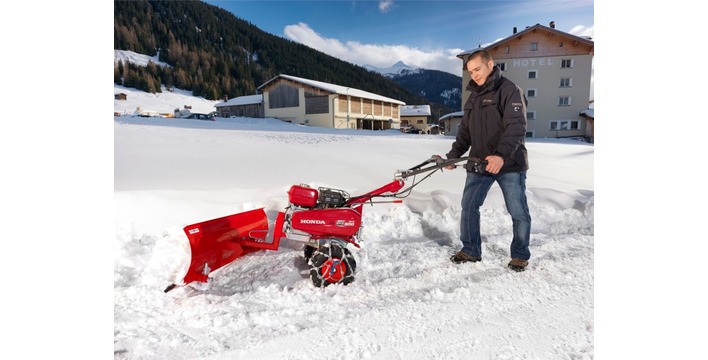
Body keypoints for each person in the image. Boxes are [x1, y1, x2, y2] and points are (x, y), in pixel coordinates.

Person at [440, 49, 531, 272]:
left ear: (490, 64)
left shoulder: (509, 90)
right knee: (469, 206)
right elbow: (465, 133)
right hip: (479, 162)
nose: (474, 75)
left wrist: (500, 155)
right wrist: (452, 157)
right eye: (471, 72)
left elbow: (516, 127)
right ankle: (471, 250)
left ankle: (519, 254)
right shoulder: (473, 97)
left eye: (477, 69)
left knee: (517, 210)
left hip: (509, 163)